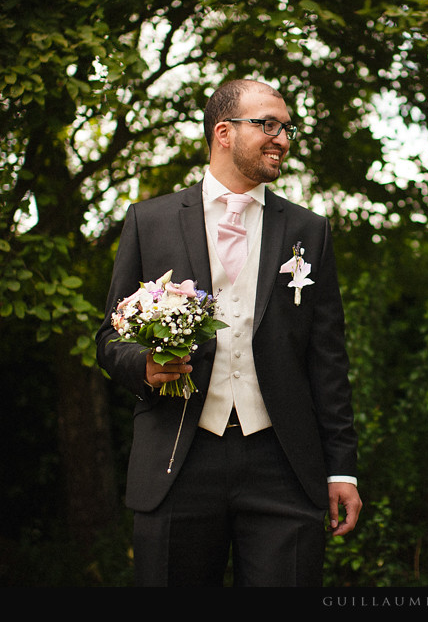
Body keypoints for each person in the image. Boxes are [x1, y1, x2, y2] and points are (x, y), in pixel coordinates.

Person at [96, 79, 362, 587]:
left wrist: (341, 469)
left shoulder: (309, 231)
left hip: (282, 463)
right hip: (178, 458)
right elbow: (109, 338)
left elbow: (328, 360)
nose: (283, 138)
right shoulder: (149, 222)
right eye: (268, 125)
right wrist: (145, 367)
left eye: (287, 128)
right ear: (223, 132)